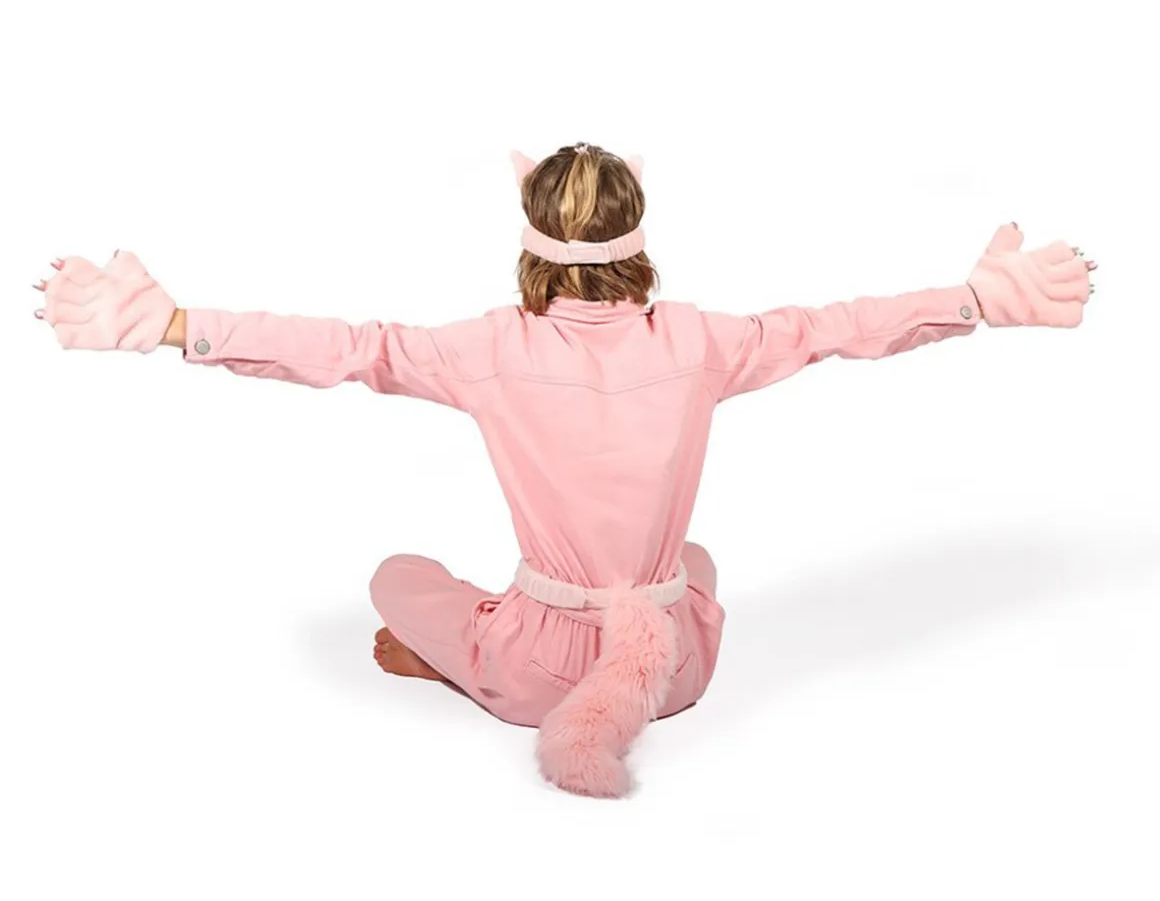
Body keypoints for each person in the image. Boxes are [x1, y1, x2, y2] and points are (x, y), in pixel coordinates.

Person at [33, 142, 1097, 798]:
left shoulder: (487, 348)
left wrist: (178, 324)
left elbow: (348, 348)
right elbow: (833, 328)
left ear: (532, 233)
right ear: (636, 231)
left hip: (541, 673)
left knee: (396, 574)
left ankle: (466, 661)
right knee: (691, 558)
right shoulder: (701, 340)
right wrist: (969, 301)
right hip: (674, 665)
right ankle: (528, 648)